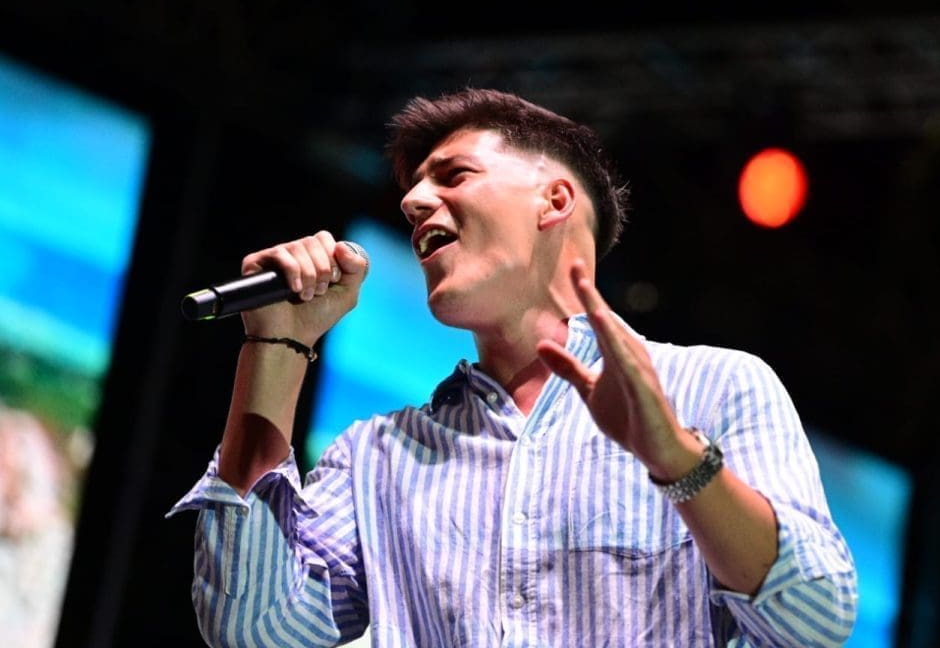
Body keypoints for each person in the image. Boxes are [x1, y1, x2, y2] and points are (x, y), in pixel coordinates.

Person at [168, 89, 857, 647]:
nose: (412, 202)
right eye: (414, 190)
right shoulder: (377, 456)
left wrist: (677, 460)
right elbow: (251, 628)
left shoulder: (717, 388)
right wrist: (277, 348)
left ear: (553, 202)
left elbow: (815, 621)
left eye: (454, 175)